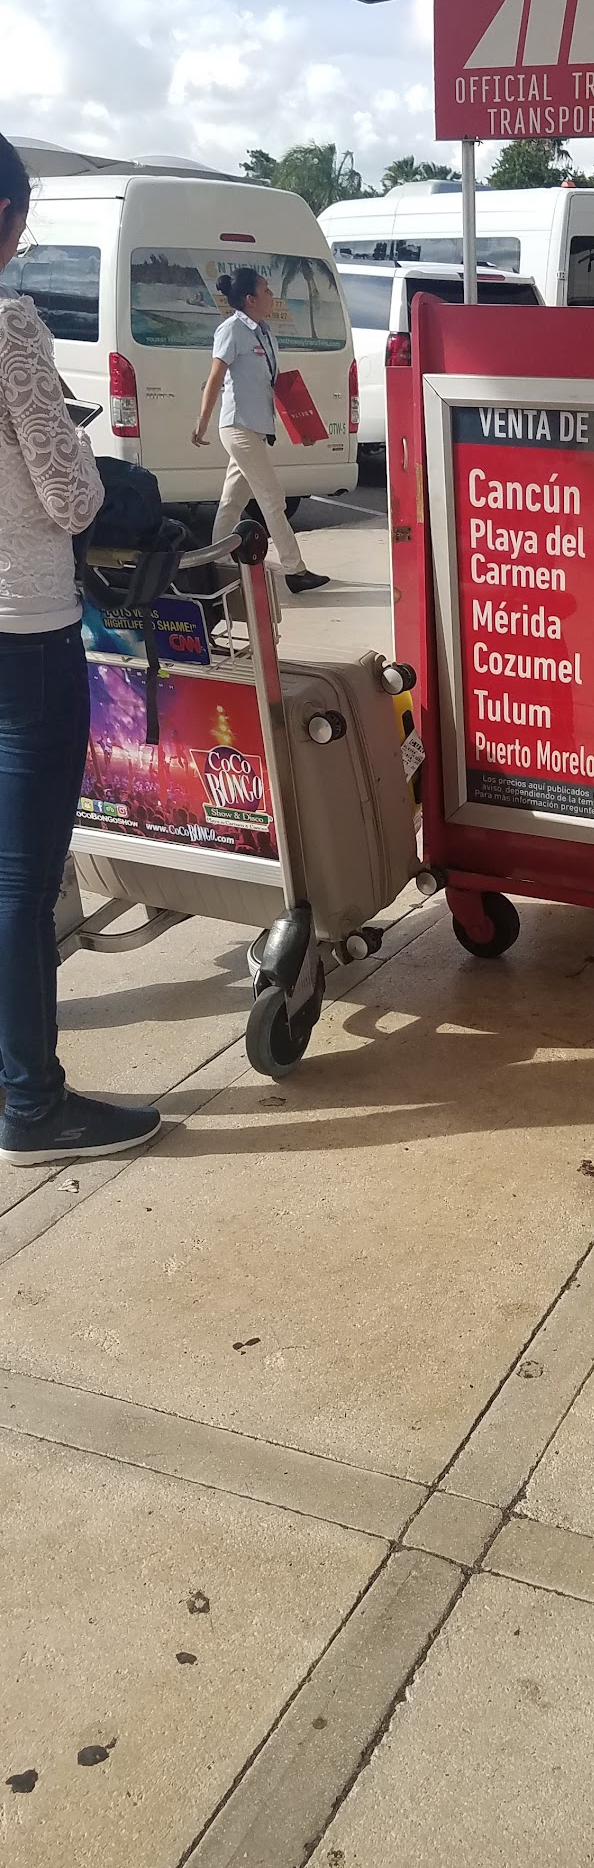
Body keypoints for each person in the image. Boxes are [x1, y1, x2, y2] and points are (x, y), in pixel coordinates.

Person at [0, 133, 161, 1163]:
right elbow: (69, 496)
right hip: (23, 633)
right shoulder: (9, 325)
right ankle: (33, 1104)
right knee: (19, 883)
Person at [192, 268, 328, 595]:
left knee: (231, 501)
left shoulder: (265, 334)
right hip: (237, 427)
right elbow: (215, 378)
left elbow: (275, 385)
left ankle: (214, 564)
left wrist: (302, 428)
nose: (272, 296)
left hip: (255, 428)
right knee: (272, 499)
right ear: (250, 299)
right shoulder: (231, 330)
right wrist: (202, 421)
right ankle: (294, 569)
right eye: (266, 291)